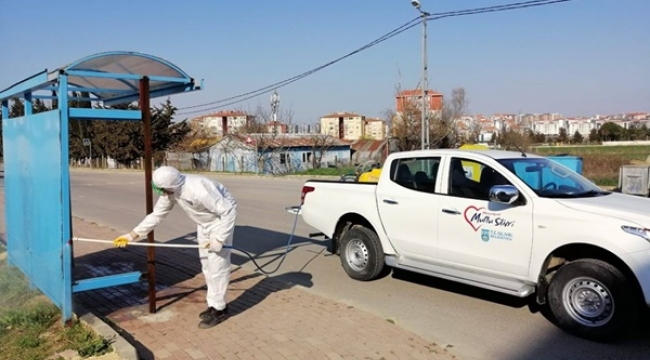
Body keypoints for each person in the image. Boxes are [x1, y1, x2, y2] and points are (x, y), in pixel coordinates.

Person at [112, 166, 237, 329]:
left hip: (219, 223)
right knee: (207, 265)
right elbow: (157, 215)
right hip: (204, 225)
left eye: (161, 189)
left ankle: (220, 310)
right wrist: (132, 235)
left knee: (218, 267)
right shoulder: (171, 191)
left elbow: (228, 211)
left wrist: (219, 239)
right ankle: (213, 305)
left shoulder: (199, 189)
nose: (160, 192)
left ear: (169, 187)